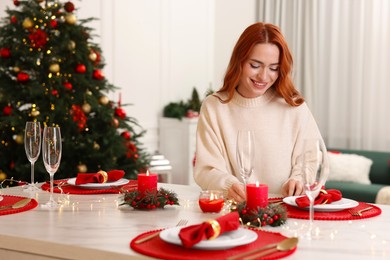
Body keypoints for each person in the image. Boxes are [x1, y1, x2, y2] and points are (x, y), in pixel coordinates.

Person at [194, 22, 325, 203]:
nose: (264, 77)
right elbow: (205, 170)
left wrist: (299, 179)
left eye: (273, 68)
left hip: (287, 211)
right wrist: (227, 185)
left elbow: (312, 158)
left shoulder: (293, 106)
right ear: (239, 61)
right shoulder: (215, 107)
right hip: (236, 212)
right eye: (255, 65)